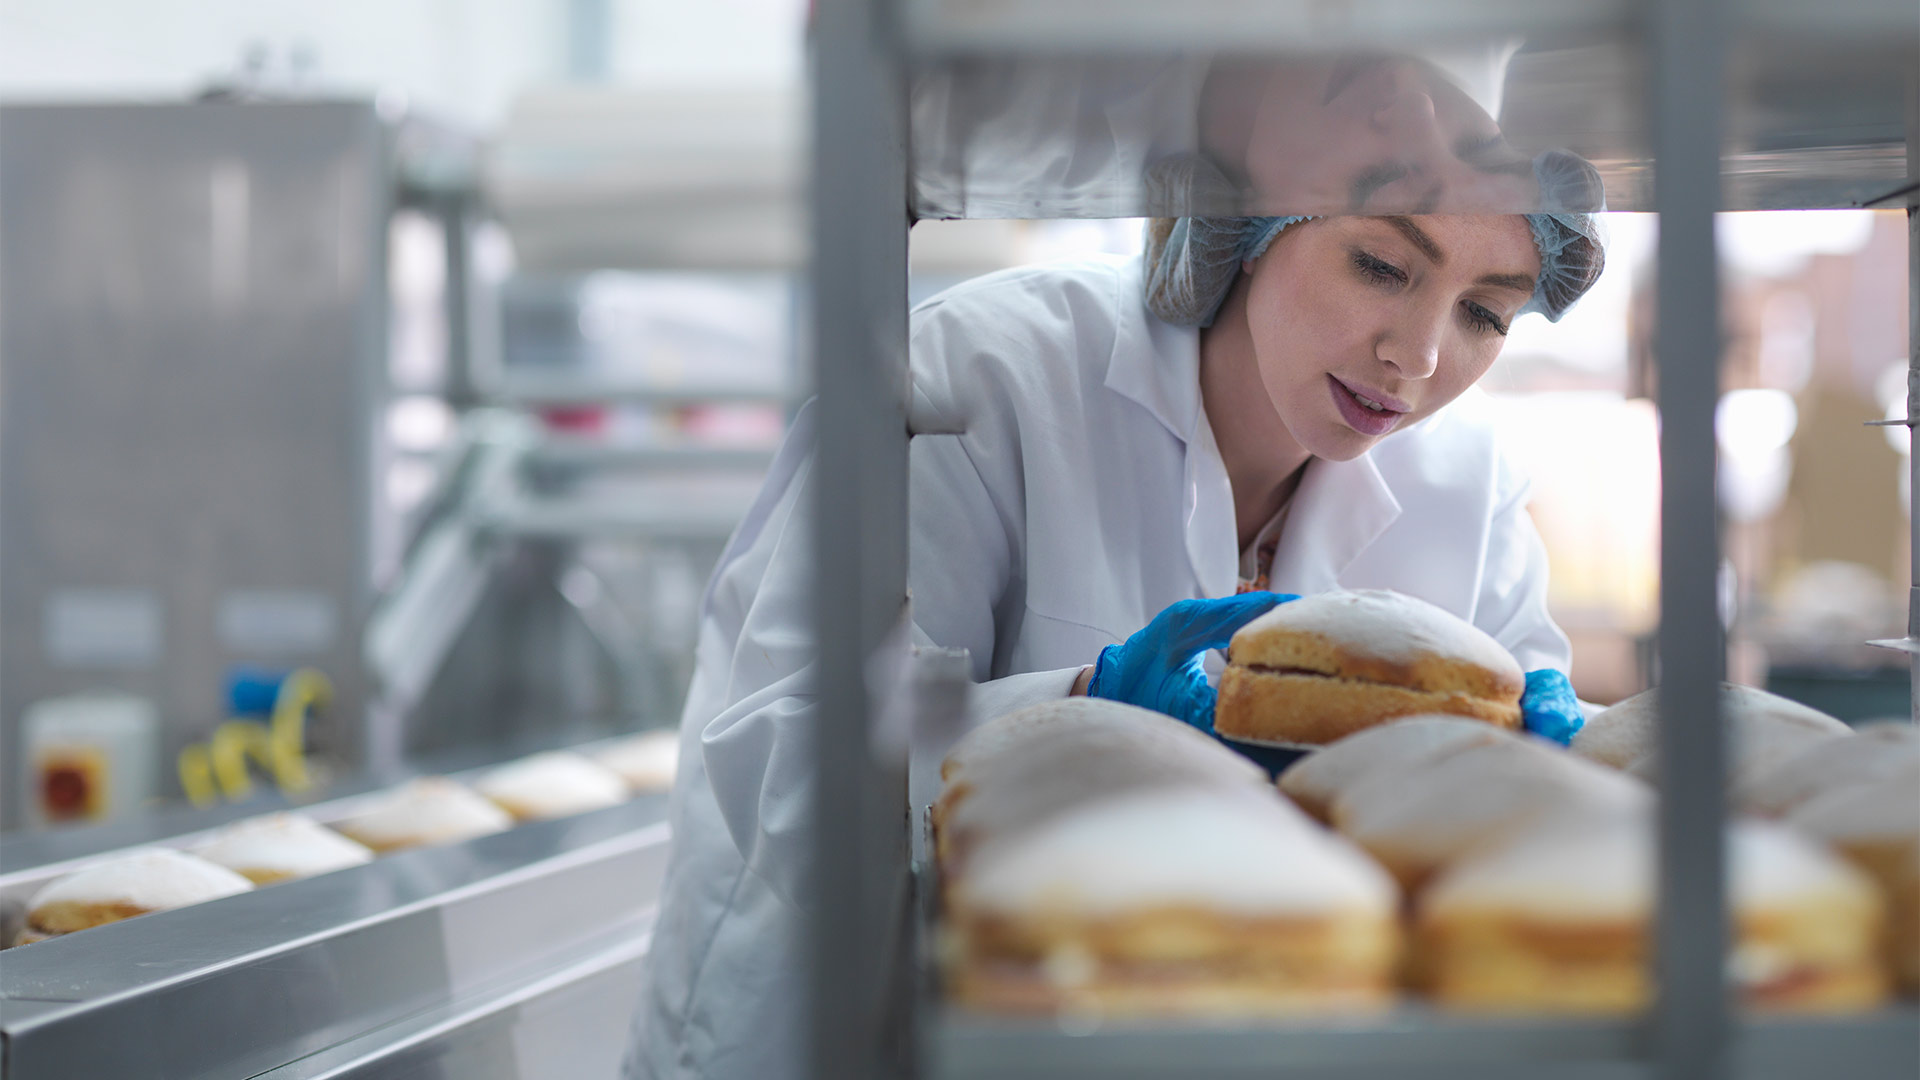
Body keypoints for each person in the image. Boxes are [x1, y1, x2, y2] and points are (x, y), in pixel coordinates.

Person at [626, 61, 1606, 1080]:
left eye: (1486, 313)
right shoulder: (988, 376)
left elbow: (1529, 852)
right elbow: (786, 766)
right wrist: (1085, 711)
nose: (1420, 357)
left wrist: (1535, 777)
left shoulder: (1470, 482)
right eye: (1380, 265)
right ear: (1255, 216)